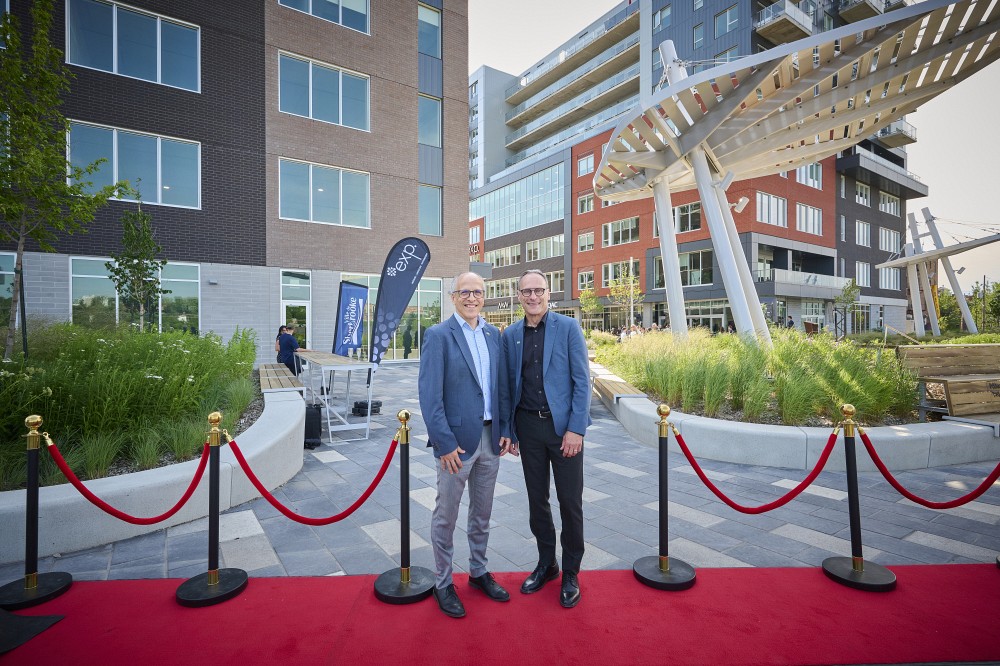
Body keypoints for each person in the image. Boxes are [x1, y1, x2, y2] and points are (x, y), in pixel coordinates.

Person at [418, 272, 509, 619]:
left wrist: (506, 430)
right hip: (456, 446)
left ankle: (478, 571)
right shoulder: (438, 336)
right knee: (446, 516)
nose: (472, 298)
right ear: (453, 297)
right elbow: (430, 396)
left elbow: (500, 387)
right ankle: (443, 583)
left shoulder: (492, 334)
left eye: (478, 292)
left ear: (484, 296)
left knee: (482, 515)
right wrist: (443, 445)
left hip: (490, 440)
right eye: (465, 292)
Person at [499, 269, 591, 609]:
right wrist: (509, 431)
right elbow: (508, 387)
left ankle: (570, 571)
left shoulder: (567, 328)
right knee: (537, 502)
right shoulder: (510, 336)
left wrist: (576, 429)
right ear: (519, 296)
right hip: (529, 429)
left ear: (549, 293)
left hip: (564, 430)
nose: (533, 296)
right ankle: (546, 564)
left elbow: (583, 382)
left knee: (570, 502)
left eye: (538, 290)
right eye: (526, 291)